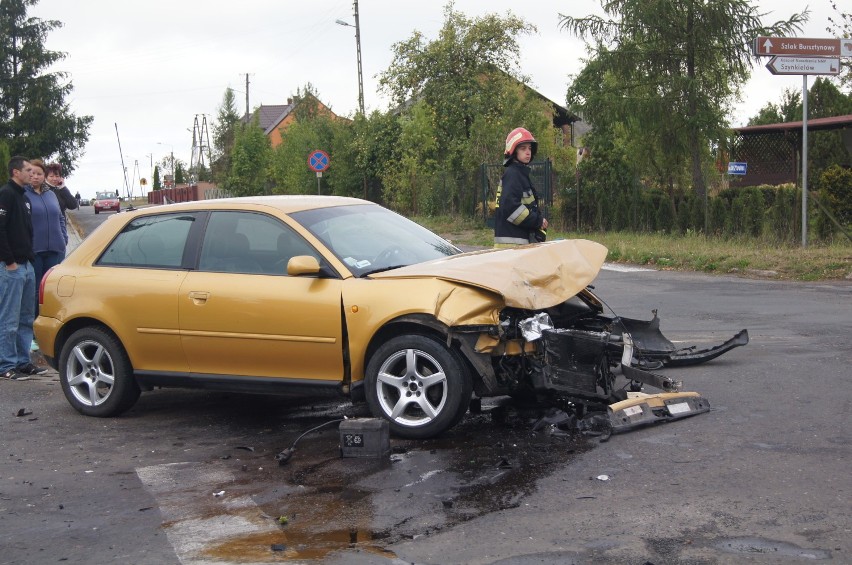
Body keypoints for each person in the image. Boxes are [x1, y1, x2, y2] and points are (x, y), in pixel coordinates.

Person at [0, 156, 40, 380]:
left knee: (26, 317)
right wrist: (9, 261)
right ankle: (6, 364)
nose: (31, 173)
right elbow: (1, 229)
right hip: (11, 267)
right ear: (16, 172)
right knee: (9, 318)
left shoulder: (24, 197)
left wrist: (29, 259)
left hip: (27, 265)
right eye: (27, 170)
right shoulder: (6, 194)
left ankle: (23, 361)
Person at [24, 160, 66, 334]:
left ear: (44, 177)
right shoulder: (24, 195)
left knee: (52, 291)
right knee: (34, 292)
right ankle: (33, 330)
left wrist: (64, 238)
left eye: (39, 174)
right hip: (34, 251)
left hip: (55, 249)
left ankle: (51, 328)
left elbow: (60, 217)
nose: (35, 176)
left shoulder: (51, 195)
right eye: (32, 173)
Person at [493, 127, 549, 246]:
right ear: (513, 152)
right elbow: (512, 209)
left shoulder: (520, 174)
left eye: (529, 148)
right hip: (511, 248)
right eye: (523, 148)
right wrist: (538, 221)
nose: (528, 152)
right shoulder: (513, 174)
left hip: (516, 245)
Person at [45, 162, 78, 256]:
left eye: (57, 176)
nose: (54, 179)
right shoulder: (43, 190)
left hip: (60, 231)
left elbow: (72, 205)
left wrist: (63, 187)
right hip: (48, 232)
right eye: (51, 176)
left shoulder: (60, 190)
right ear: (45, 177)